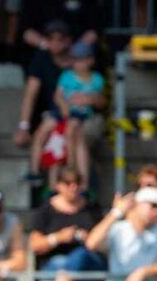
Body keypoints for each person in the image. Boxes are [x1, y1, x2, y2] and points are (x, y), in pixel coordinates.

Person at [85, 188, 157, 281]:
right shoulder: (118, 228)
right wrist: (116, 212)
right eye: (153, 206)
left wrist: (144, 271)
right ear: (137, 205)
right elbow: (91, 243)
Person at [30, 167, 104, 281]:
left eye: (77, 183)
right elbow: (35, 245)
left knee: (81, 255)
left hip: (90, 260)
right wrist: (58, 238)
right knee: (69, 266)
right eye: (68, 183)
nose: (73, 187)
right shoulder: (45, 210)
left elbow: (102, 243)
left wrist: (87, 238)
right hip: (55, 262)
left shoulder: (92, 209)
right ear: (58, 185)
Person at [12, 19, 71, 186]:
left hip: (77, 114)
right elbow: (30, 94)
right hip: (53, 114)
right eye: (51, 39)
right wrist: (24, 126)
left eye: (60, 39)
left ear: (68, 41)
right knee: (43, 134)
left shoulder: (79, 61)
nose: (55, 43)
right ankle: (35, 172)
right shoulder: (41, 59)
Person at [53, 40, 104, 186]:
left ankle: (80, 178)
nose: (79, 64)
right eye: (76, 60)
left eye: (82, 60)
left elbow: (101, 102)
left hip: (87, 116)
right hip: (70, 115)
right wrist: (65, 108)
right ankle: (72, 167)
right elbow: (58, 96)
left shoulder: (97, 79)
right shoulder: (66, 76)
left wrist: (91, 100)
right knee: (73, 129)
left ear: (90, 60)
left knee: (79, 137)